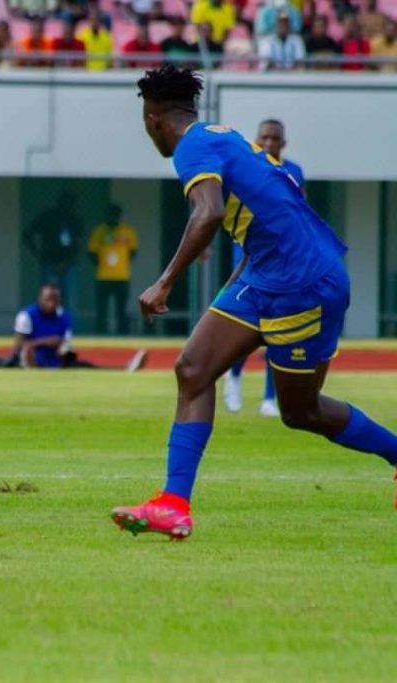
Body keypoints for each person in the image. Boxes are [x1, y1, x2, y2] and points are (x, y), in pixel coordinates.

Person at [112, 65, 397, 540]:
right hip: (268, 272)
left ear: (153, 120)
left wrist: (164, 283)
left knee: (301, 411)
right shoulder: (222, 136)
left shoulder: (191, 148)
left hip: (302, 282)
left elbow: (208, 213)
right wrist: (232, 291)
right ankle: (173, 505)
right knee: (192, 370)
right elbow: (268, 213)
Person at [224, 117, 304, 418]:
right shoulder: (246, 169)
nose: (269, 143)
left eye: (275, 139)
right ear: (257, 141)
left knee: (278, 332)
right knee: (245, 330)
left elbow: (301, 212)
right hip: (250, 259)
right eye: (264, 138)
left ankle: (269, 398)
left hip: (283, 263)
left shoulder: (294, 172)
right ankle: (233, 377)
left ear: (283, 143)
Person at [10, 284, 148, 370]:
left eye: (55, 299)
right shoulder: (27, 315)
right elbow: (18, 346)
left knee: (88, 367)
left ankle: (126, 368)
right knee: (8, 361)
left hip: (55, 361)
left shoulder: (64, 318)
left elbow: (65, 344)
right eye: (48, 299)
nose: (52, 303)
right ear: (40, 299)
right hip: (31, 359)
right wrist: (45, 342)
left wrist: (62, 349)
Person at [88, 204, 138, 335]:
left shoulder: (128, 232)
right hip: (103, 276)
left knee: (121, 308)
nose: (113, 218)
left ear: (119, 216)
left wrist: (121, 263)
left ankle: (123, 333)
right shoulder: (99, 231)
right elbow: (91, 252)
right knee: (102, 308)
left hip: (122, 276)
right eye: (110, 215)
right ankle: (101, 333)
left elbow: (133, 251)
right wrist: (102, 264)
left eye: (115, 215)